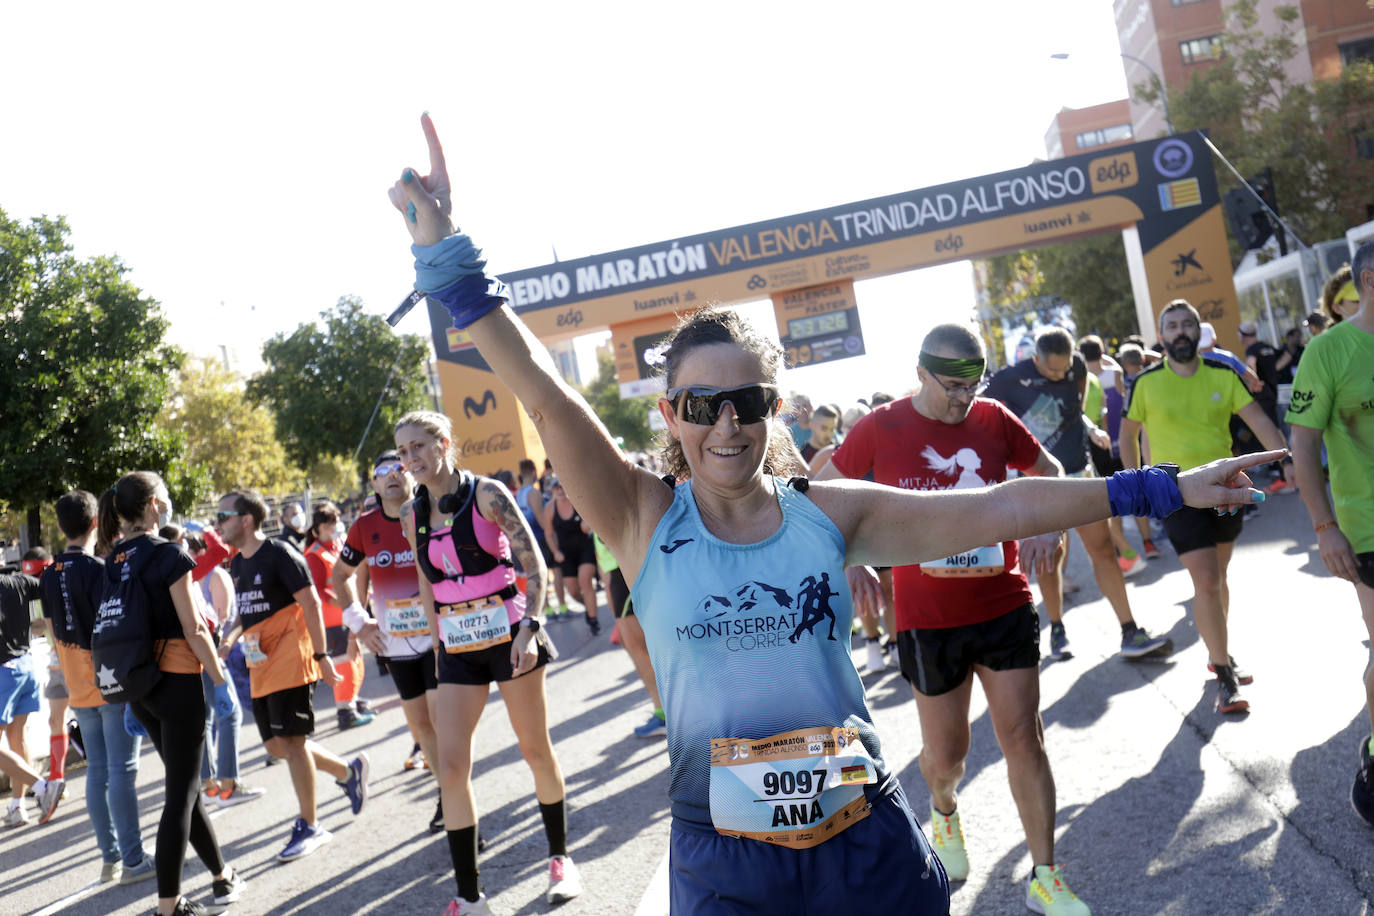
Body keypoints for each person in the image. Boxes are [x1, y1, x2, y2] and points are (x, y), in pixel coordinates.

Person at [386, 112, 1275, 914]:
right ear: (671, 416)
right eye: (700, 406)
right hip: (728, 864)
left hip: (867, 851)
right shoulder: (641, 518)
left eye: (746, 401)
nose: (725, 424)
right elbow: (543, 395)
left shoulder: (830, 514)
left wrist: (1164, 485)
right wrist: (448, 254)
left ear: (773, 406)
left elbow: (1002, 505)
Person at [818, 323, 1093, 903]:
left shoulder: (994, 420)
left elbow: (1052, 473)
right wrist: (848, 559)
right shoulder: (881, 426)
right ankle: (943, 812)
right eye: (951, 387)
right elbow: (820, 496)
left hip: (1003, 601)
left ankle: (1045, 877)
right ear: (919, 373)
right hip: (928, 615)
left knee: (1024, 736)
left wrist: (1051, 524)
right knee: (947, 756)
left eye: (974, 385)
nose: (964, 398)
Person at [392, 410, 579, 914]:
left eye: (418, 446)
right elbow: (428, 582)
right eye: (403, 451)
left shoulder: (489, 493)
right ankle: (470, 897)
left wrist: (531, 626)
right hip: (456, 643)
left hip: (510, 634)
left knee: (534, 749)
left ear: (444, 443)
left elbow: (532, 562)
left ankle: (560, 859)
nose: (410, 459)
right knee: (450, 767)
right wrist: (437, 644)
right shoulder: (411, 513)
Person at [1120, 299, 1293, 714]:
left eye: (1187, 324)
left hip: (1224, 488)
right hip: (1173, 492)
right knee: (1209, 582)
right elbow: (1128, 437)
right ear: (1161, 336)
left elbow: (1261, 424)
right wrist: (1137, 486)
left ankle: (1222, 653)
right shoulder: (1145, 382)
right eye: (1172, 325)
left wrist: (1289, 459)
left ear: (1199, 333)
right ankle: (1224, 673)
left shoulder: (1221, 374)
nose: (1180, 331)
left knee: (1219, 577)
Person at [96, 473, 245, 915]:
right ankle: (169, 906)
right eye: (166, 496)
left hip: (139, 685)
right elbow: (195, 627)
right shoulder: (168, 553)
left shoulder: (115, 557)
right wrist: (220, 681)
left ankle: (221, 876)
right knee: (180, 794)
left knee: (187, 787)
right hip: (178, 681)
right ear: (155, 505)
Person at [984, 327, 1170, 662]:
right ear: (1035, 358)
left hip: (1079, 474)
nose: (1059, 375)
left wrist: (1091, 427)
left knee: (1103, 550)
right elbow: (980, 412)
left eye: (1064, 368)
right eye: (1051, 370)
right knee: (1049, 559)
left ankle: (1130, 630)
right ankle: (1056, 629)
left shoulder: (1079, 368)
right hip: (1038, 484)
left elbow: (1074, 409)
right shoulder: (1009, 379)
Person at [215, 488, 368, 862]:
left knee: (295, 743)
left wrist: (321, 656)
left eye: (223, 517)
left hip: (292, 660)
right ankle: (348, 772)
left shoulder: (281, 554)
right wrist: (227, 639)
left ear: (246, 520)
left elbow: (312, 602)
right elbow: (243, 613)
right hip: (260, 665)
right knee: (276, 746)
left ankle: (310, 825)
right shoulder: (237, 563)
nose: (218, 524)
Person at [1286, 240, 1374, 825]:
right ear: (1368, 278)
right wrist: (1324, 527)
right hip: (1366, 524)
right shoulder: (1328, 350)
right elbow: (1304, 444)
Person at [39, 491, 151, 881]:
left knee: (98, 771)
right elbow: (117, 624)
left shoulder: (49, 574)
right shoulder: (102, 568)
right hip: (111, 680)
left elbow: (53, 634)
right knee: (122, 769)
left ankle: (111, 857)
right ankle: (134, 859)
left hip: (76, 682)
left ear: (59, 526)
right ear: (94, 524)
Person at [334, 451, 447, 832]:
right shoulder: (364, 526)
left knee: (440, 718)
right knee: (421, 726)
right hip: (394, 645)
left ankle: (455, 790)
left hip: (438, 637)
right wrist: (359, 624)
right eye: (383, 472)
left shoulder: (432, 511)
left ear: (411, 475)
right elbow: (342, 576)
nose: (393, 476)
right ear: (374, 485)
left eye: (400, 468)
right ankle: (447, 792)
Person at [182, 530, 263, 808]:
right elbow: (217, 619)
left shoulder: (189, 575)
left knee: (205, 718)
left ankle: (210, 785)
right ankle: (227, 784)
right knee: (230, 714)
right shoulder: (192, 573)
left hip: (196, 654)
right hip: (208, 653)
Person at [1, 548, 63, 829]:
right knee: (18, 739)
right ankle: (17, 808)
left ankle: (42, 788)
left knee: (13, 741)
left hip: (2, 671)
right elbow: (51, 588)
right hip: (25, 666)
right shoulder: (20, 581)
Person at [304, 503, 374, 731]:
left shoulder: (339, 545)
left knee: (356, 660)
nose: (334, 526)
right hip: (334, 619)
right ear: (317, 529)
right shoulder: (314, 554)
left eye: (336, 520)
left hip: (349, 615)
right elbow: (319, 591)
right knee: (344, 664)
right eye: (328, 523)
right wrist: (345, 604)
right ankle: (346, 711)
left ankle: (353, 700)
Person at [593, 532, 664, 738]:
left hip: (625, 570)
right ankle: (666, 713)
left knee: (641, 650)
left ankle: (666, 715)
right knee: (637, 647)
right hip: (619, 571)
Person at [1237, 320, 1298, 495]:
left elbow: (1251, 366)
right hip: (1274, 394)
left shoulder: (1252, 350)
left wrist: (1252, 382)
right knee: (1276, 431)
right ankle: (1280, 470)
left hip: (1262, 397)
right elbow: (1287, 355)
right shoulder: (1267, 346)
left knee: (1268, 431)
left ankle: (1282, 475)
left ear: (1241, 335)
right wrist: (1273, 370)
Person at [542, 478, 600, 635]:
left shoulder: (577, 502)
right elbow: (548, 533)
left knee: (585, 581)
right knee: (573, 591)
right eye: (556, 488)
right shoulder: (550, 508)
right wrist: (555, 552)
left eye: (562, 486)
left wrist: (586, 524)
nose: (559, 491)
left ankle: (594, 621)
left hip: (585, 549)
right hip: (566, 554)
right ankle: (590, 607)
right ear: (552, 491)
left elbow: (589, 524)